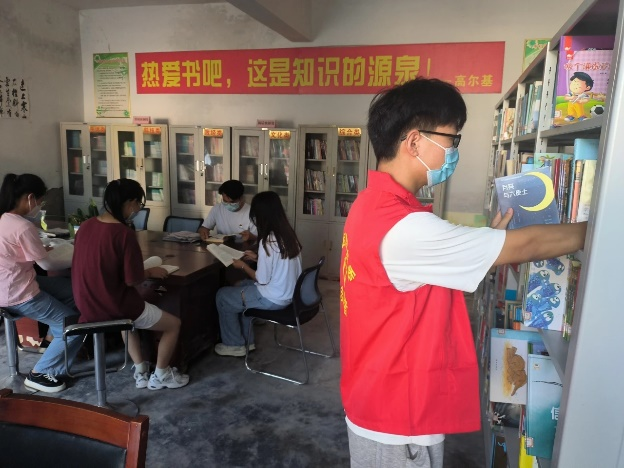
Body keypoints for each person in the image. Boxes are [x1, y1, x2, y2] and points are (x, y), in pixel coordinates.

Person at [340, 77, 587, 468]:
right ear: (414, 142)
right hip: (399, 420)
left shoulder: (371, 204)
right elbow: (527, 245)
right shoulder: (406, 228)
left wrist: (487, 241)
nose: (454, 150)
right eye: (452, 139)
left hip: (375, 390)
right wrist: (599, 227)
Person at [71, 178, 189, 390]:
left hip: (87, 304)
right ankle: (161, 375)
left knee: (127, 323)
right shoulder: (123, 233)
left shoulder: (86, 226)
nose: (138, 210)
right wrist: (150, 271)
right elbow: (132, 280)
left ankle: (141, 370)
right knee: (173, 324)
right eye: (139, 204)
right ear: (131, 202)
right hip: (113, 306)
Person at [0, 173, 83, 393]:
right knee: (74, 325)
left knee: (75, 292)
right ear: (30, 198)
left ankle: (52, 342)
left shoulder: (4, 219)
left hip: (11, 283)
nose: (40, 206)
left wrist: (39, 251)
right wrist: (80, 257)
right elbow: (47, 265)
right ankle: (41, 373)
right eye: (40, 201)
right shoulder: (22, 226)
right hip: (18, 293)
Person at [214, 191, 302, 357]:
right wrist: (258, 257)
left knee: (222, 296)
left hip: (273, 298)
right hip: (289, 294)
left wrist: (242, 266)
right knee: (239, 285)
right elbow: (279, 262)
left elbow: (261, 279)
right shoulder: (288, 235)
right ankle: (248, 341)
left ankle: (234, 345)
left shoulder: (267, 241)